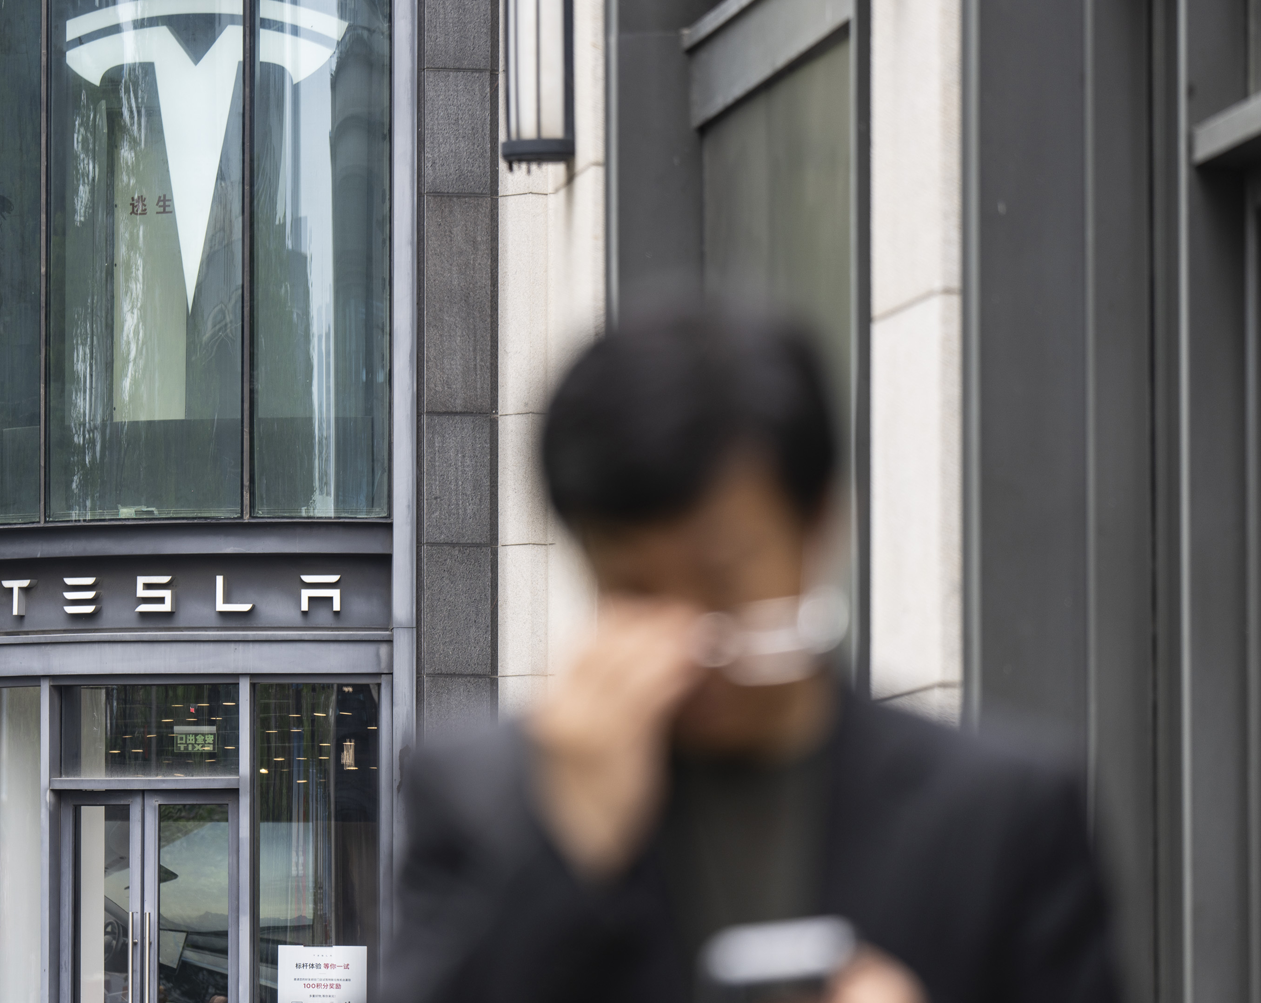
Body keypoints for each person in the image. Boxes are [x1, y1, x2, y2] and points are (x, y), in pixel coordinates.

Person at [384, 311, 1120, 1003]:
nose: (687, 629)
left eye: (723, 572)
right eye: (635, 586)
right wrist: (559, 853)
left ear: (818, 521)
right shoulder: (477, 797)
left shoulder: (1003, 815)